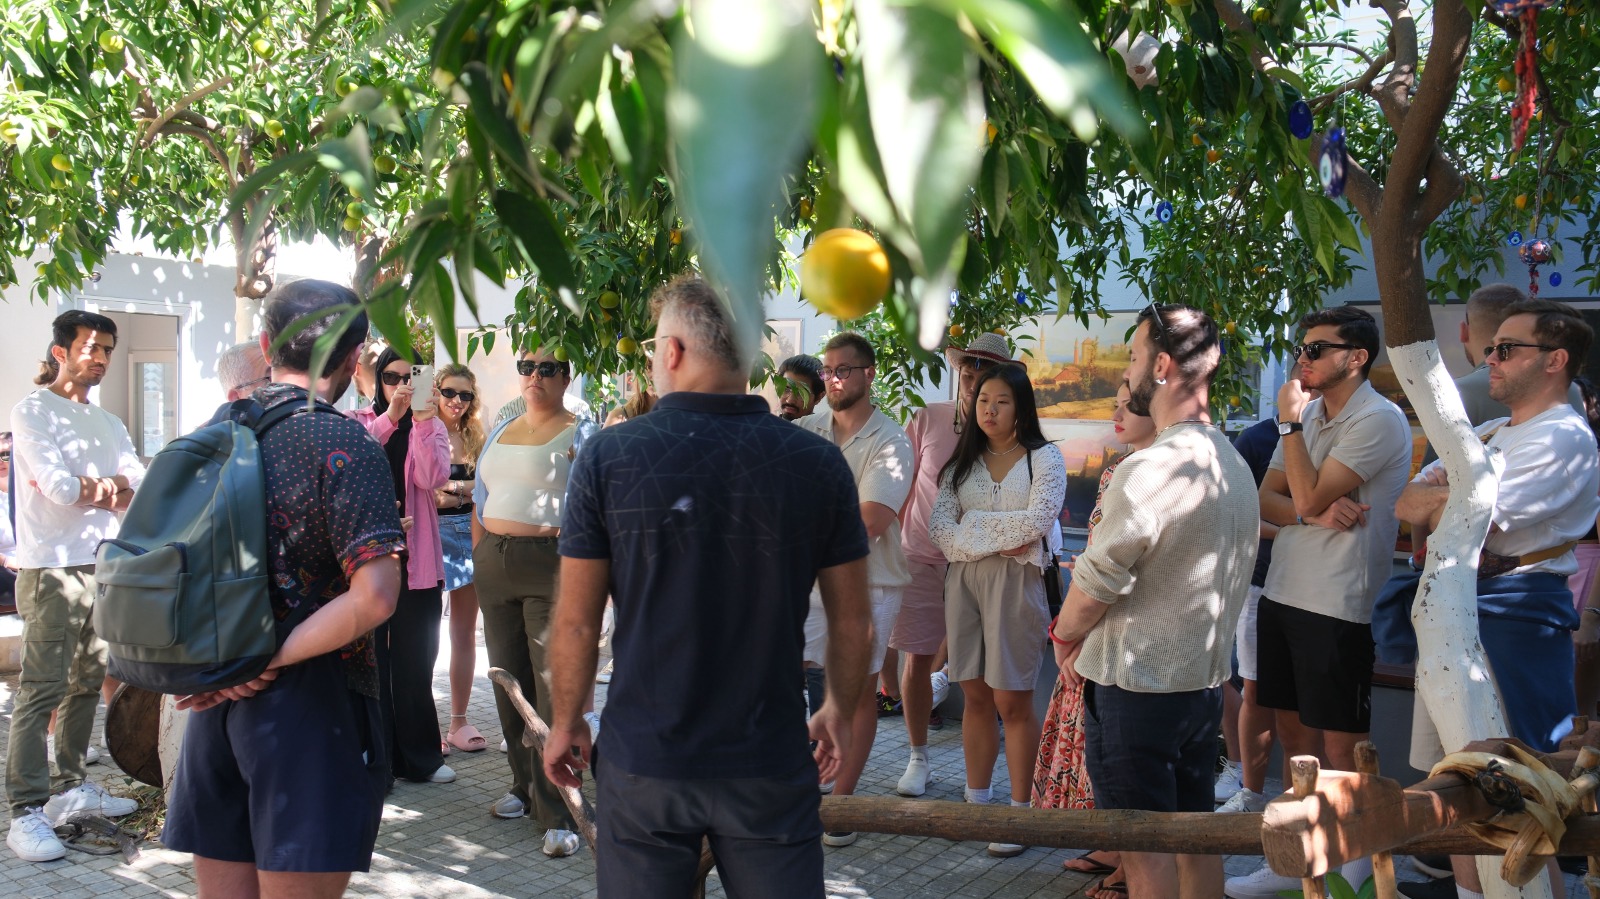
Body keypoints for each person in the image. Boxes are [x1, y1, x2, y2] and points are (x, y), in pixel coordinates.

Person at [542, 275, 872, 898]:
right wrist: (837, 709)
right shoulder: (817, 463)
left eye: (651, 347)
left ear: (670, 351)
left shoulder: (608, 458)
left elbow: (578, 622)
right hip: (769, 757)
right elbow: (854, 620)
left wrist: (567, 721)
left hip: (646, 759)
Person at [162, 278, 405, 896]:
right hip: (310, 702)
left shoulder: (214, 431)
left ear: (267, 345)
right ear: (355, 357)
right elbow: (376, 595)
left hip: (215, 696)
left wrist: (226, 665)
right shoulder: (344, 439)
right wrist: (269, 657)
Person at [1389, 299, 1599, 899]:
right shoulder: (1487, 432)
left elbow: (1472, 517)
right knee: (1456, 780)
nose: (1490, 360)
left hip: (1517, 610)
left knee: (1518, 789)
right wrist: (1450, 502)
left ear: (1555, 360)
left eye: (1506, 349)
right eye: (1490, 348)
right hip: (1457, 603)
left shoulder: (1563, 437)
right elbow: (1407, 504)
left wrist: (1447, 502)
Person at [1052, 303, 1258, 899]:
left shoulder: (1149, 468)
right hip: (1200, 687)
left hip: (1137, 689)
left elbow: (1097, 581)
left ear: (1163, 365)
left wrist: (1064, 635)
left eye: (1135, 356)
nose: (1129, 369)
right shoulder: (1232, 461)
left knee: (1146, 856)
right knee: (1195, 841)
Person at [6, 311, 146, 863]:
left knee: (87, 682)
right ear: (61, 351)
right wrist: (112, 488)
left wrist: (99, 488)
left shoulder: (109, 422)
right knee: (40, 690)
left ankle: (70, 789)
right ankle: (25, 811)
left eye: (107, 348)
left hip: (101, 564)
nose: (101, 358)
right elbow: (60, 489)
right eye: (91, 347)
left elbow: (138, 483)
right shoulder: (33, 411)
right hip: (51, 569)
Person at [929, 362, 1066, 859]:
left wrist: (972, 528)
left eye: (1001, 401)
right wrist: (990, 535)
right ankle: (977, 804)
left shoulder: (1044, 458)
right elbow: (940, 529)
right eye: (983, 400)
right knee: (974, 696)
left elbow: (1038, 520)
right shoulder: (961, 464)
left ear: (1021, 408)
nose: (989, 409)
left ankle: (1018, 813)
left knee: (1012, 700)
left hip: (1017, 582)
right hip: (963, 583)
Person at [471, 346, 598, 856]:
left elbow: (594, 502)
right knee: (507, 678)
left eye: (548, 368)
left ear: (566, 377)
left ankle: (560, 809)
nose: (535, 376)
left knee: (551, 687)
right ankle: (523, 787)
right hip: (495, 560)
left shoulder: (582, 432)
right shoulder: (502, 428)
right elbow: (480, 495)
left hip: (551, 564)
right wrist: (482, 550)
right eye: (527, 367)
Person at [793, 333, 913, 847]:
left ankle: (841, 805)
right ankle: (800, 785)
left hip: (872, 582)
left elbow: (869, 523)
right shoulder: (805, 429)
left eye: (844, 370)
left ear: (869, 373)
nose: (834, 379)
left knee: (860, 691)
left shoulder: (892, 441)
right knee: (793, 676)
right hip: (806, 580)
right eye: (828, 371)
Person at [1036, 383, 1152, 896]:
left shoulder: (1151, 473)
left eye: (1131, 405)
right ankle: (1112, 844)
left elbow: (1121, 567)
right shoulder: (1115, 470)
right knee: (1094, 742)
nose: (1117, 414)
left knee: (1121, 752)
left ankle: (1132, 863)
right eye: (1116, 404)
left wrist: (1071, 631)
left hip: (1124, 628)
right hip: (1094, 619)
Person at [892, 332, 1013, 798]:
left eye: (984, 367)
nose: (973, 375)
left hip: (980, 565)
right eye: (968, 365)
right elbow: (899, 488)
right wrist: (889, 548)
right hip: (921, 557)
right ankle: (917, 756)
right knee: (917, 659)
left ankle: (978, 778)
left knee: (981, 671)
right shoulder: (927, 417)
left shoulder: (1007, 430)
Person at [353, 348, 454, 786]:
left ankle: (420, 759)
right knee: (371, 663)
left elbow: (433, 478)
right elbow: (352, 464)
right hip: (368, 558)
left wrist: (423, 420)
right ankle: (377, 761)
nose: (400, 385)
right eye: (390, 377)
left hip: (418, 559)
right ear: (378, 380)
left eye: (409, 376)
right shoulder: (360, 421)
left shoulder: (431, 425)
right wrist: (391, 417)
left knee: (416, 661)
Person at [1213, 415, 1286, 815]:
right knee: (1242, 681)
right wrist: (1302, 525)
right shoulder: (1257, 440)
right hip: (1255, 581)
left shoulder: (1338, 432)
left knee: (1293, 701)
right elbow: (1235, 514)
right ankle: (1241, 774)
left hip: (1315, 584)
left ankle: (1296, 798)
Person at [434, 363, 488, 754]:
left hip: (468, 533)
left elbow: (483, 487)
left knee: (464, 632)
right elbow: (426, 493)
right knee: (422, 635)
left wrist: (451, 490)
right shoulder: (423, 430)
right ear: (436, 390)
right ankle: (423, 722)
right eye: (450, 392)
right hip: (429, 535)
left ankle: (458, 721)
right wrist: (462, 490)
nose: (457, 401)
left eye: (465, 395)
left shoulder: (476, 436)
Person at [777, 354, 825, 421]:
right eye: (786, 389)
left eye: (801, 393)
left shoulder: (825, 427)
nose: (790, 400)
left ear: (818, 397)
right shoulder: (764, 426)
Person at [0, 432, 16, 616]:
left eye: (5, 454)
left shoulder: (34, 495)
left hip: (38, 567)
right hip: (5, 570)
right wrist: (9, 562)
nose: (0, 461)